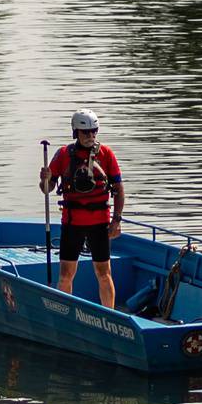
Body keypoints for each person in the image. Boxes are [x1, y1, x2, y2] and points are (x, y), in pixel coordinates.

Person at [38, 109, 126, 308]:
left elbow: (119, 190)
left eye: (94, 131)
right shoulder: (63, 155)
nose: (91, 136)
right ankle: (65, 311)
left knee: (104, 273)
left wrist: (117, 221)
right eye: (86, 132)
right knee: (66, 274)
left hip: (100, 223)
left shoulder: (106, 154)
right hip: (72, 223)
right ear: (75, 132)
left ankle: (109, 314)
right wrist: (45, 178)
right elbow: (46, 190)